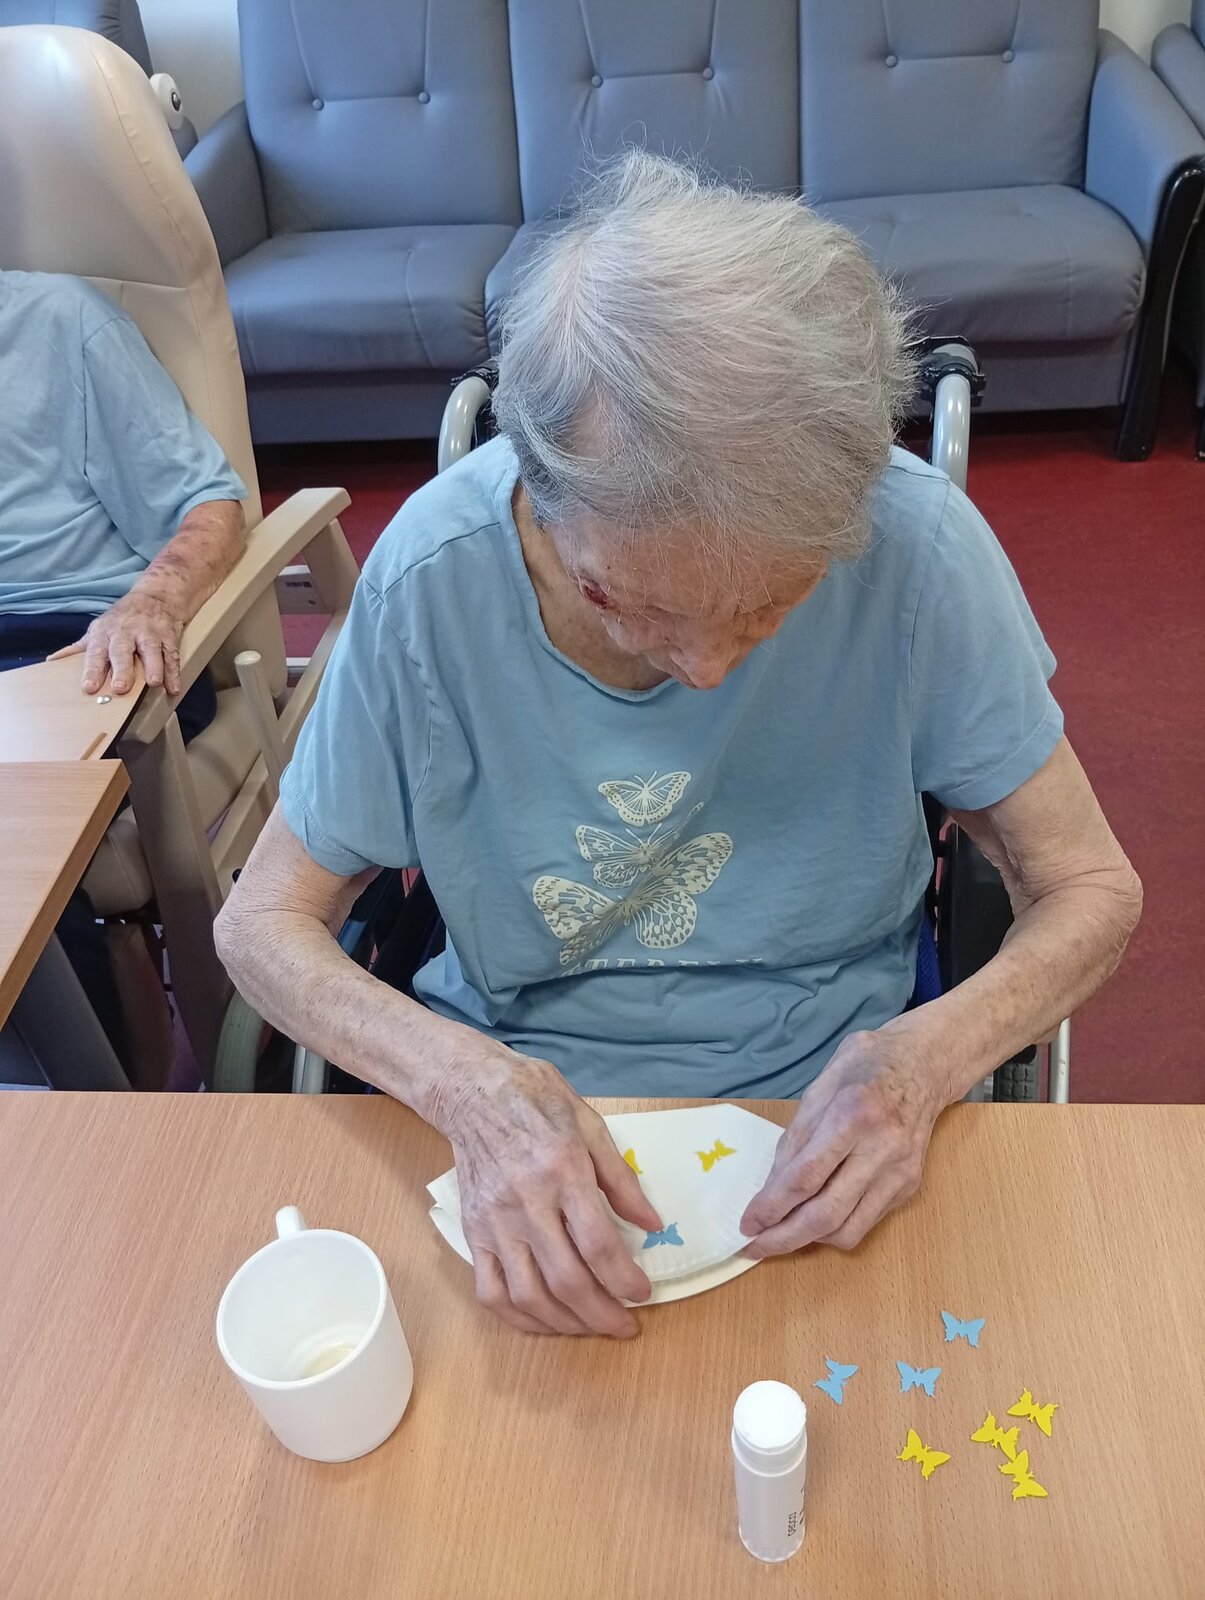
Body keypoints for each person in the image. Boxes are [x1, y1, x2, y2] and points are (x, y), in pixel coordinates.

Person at [216, 155, 1141, 1339]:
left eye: (768, 606)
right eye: (628, 603)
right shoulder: (431, 579)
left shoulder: (914, 551)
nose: (704, 671)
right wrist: (461, 1083)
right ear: (538, 496)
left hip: (826, 1114)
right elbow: (260, 922)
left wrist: (923, 1059)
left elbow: (1090, 887)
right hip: (508, 1117)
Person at [0, 268, 247, 1064]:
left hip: (73, 641)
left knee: (11, 838)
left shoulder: (61, 322)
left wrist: (153, 601)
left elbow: (210, 504)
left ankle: (91, 1103)